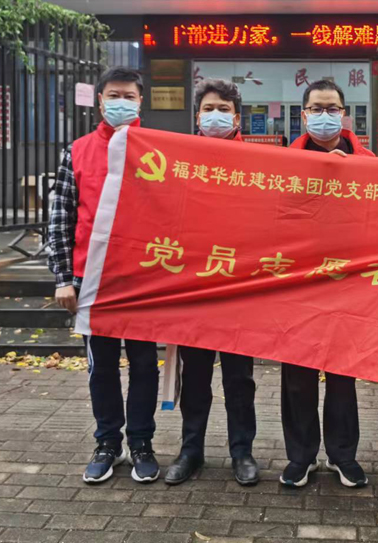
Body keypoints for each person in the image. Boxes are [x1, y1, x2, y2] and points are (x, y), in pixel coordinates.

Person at [48, 66, 160, 485]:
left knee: (145, 365)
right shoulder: (77, 151)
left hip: (145, 280)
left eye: (129, 96)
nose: (121, 103)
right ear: (99, 101)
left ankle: (142, 443)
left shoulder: (161, 149)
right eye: (114, 96)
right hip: (92, 280)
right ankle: (108, 443)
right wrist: (63, 278)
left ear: (141, 101)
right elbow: (61, 218)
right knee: (102, 367)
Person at [164, 78, 259, 487]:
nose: (215, 115)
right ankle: (191, 451)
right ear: (197, 116)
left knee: (240, 378)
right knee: (196, 376)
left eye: (223, 109)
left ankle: (242, 452)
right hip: (196, 288)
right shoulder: (180, 161)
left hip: (239, 290)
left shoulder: (260, 164)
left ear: (237, 118)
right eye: (208, 108)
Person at [281, 79, 374, 489]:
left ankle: (343, 455)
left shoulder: (368, 163)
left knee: (342, 374)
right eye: (316, 108)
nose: (324, 115)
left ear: (344, 114)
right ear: (304, 115)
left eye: (332, 108)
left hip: (346, 281)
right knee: (297, 374)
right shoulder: (284, 163)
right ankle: (300, 457)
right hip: (297, 283)